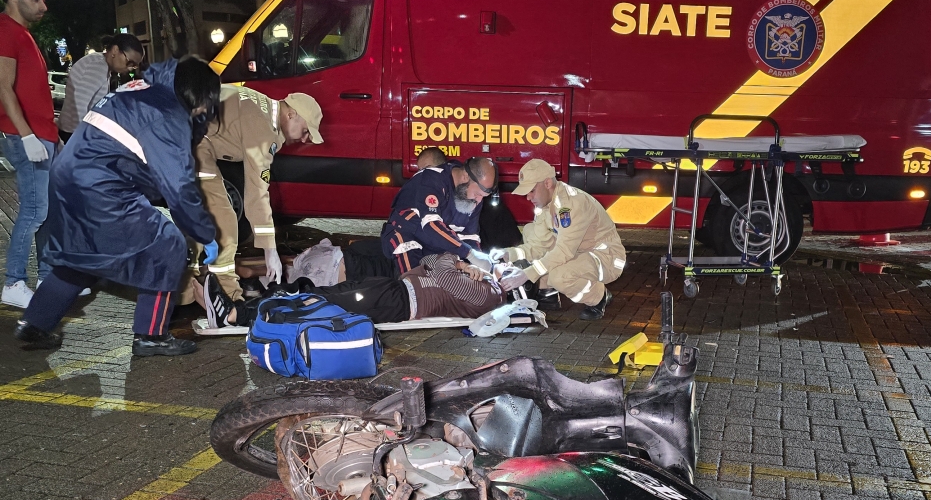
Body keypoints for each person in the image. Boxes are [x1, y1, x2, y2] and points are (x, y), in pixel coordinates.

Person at [14, 56, 220, 357]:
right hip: (102, 187)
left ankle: (35, 323)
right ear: (200, 96)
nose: (205, 112)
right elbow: (179, 188)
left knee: (81, 257)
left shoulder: (138, 90)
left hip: (68, 178)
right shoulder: (167, 114)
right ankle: (151, 336)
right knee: (169, 246)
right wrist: (204, 232)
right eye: (208, 104)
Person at [193, 85, 324, 301]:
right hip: (187, 142)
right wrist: (270, 250)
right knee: (224, 222)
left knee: (204, 222)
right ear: (291, 114)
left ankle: (197, 285)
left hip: (189, 139)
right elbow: (257, 193)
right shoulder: (263, 128)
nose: (305, 139)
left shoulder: (260, 105)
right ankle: (228, 301)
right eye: (306, 130)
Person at [198, 250, 506, 329]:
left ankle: (237, 314)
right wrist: (459, 264)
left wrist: (457, 264)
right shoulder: (478, 278)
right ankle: (250, 307)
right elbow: (429, 259)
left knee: (320, 304)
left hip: (400, 301)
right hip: (392, 287)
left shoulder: (489, 296)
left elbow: (441, 270)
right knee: (318, 292)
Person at [498, 158, 626, 320]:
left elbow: (563, 251)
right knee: (531, 231)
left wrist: (526, 275)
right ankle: (547, 293)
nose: (528, 197)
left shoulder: (572, 205)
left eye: (531, 191)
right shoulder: (546, 205)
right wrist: (508, 254)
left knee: (560, 276)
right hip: (578, 252)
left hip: (605, 257)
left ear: (547, 183)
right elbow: (538, 245)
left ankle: (599, 297)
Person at [0, 0, 57, 309]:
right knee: (35, 211)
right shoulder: (7, 30)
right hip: (28, 138)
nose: (43, 7)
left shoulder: (20, 33)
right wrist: (28, 136)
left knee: (46, 211)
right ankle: (14, 281)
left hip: (40, 136)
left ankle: (48, 277)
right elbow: (3, 88)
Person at [381, 156, 496, 273]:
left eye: (483, 196)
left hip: (438, 245)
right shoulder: (432, 179)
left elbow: (470, 235)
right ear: (465, 176)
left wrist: (481, 259)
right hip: (408, 238)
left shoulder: (473, 199)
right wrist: (469, 253)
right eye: (477, 194)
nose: (479, 200)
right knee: (417, 283)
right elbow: (431, 226)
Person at [57, 34, 145, 143]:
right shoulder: (97, 67)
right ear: (115, 50)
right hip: (75, 135)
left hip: (74, 133)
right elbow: (79, 106)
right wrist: (85, 140)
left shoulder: (99, 63)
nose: (130, 68)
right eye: (129, 62)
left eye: (134, 65)